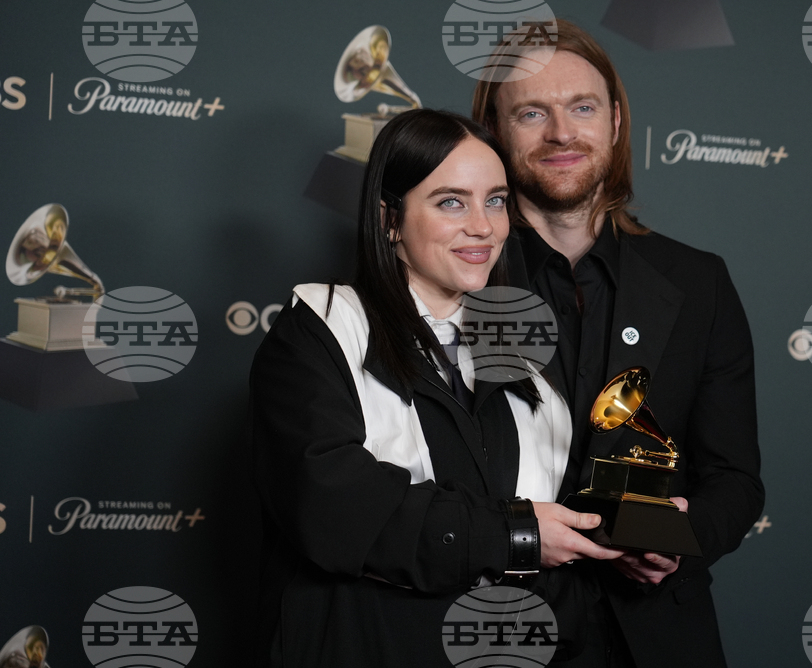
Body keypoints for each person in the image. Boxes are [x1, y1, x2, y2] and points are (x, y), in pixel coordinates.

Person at [249, 108, 623, 667]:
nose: (483, 226)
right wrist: (512, 534)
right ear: (390, 217)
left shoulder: (523, 356)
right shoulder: (323, 327)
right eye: (451, 201)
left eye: (495, 200)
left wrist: (627, 533)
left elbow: (553, 529)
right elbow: (333, 507)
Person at [472, 21, 766, 667]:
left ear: (615, 120)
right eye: (531, 112)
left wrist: (681, 537)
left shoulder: (699, 282)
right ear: (493, 130)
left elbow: (736, 480)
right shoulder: (453, 278)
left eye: (582, 107)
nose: (561, 133)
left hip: (657, 633)